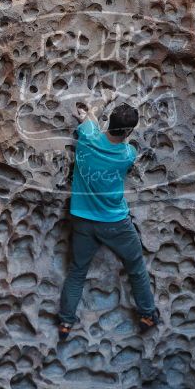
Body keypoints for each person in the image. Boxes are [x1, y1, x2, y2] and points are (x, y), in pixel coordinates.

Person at [57, 93, 159, 341]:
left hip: (82, 220)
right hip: (115, 223)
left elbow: (88, 119)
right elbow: (105, 132)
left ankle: (65, 322)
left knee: (77, 271)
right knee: (135, 266)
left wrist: (94, 108)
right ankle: (147, 314)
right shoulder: (127, 154)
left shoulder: (88, 137)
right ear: (129, 132)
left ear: (109, 122)